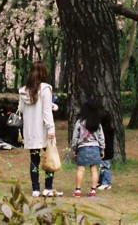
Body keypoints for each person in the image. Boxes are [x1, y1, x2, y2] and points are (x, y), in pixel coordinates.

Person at [18, 61, 63, 197]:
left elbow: (21, 109)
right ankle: (48, 187)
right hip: (43, 129)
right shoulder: (45, 89)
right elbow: (45, 112)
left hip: (30, 130)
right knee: (49, 156)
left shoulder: (24, 90)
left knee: (34, 160)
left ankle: (35, 189)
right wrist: (51, 130)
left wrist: (50, 106)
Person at [70, 97, 105, 197]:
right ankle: (93, 190)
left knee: (80, 169)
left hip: (82, 148)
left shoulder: (79, 122)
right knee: (94, 169)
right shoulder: (97, 123)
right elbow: (101, 137)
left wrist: (74, 149)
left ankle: (77, 190)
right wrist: (102, 149)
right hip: (95, 148)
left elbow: (75, 137)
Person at [98, 103, 115, 190]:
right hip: (105, 152)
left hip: (106, 152)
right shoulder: (109, 129)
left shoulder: (104, 131)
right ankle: (100, 181)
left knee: (105, 167)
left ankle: (106, 183)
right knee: (101, 167)